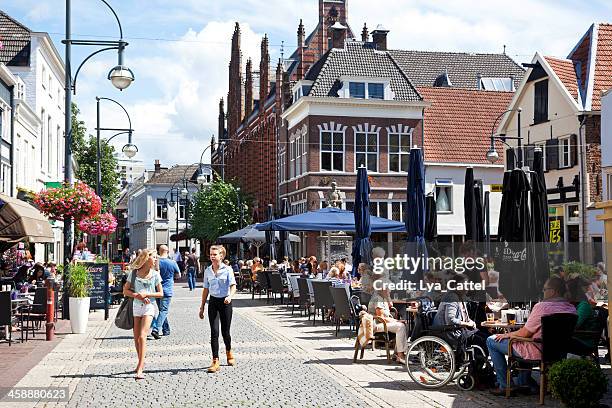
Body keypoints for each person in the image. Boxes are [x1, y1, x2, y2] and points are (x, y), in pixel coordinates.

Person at [486, 276, 576, 395]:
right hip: (559, 351)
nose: (543, 292)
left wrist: (507, 335)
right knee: (521, 341)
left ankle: (505, 385)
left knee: (491, 340)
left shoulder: (542, 307)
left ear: (553, 291)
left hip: (536, 349)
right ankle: (525, 382)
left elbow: (525, 333)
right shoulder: (571, 309)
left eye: (544, 289)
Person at [123, 249, 163, 380]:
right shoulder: (134, 273)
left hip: (149, 307)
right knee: (136, 338)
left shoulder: (155, 274)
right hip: (136, 306)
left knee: (142, 336)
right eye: (154, 257)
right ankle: (140, 360)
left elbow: (161, 293)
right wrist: (137, 296)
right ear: (146, 258)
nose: (156, 259)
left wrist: (147, 294)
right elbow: (126, 291)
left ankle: (140, 367)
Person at [199, 245, 237, 373]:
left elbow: (233, 286)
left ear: (221, 256)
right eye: (211, 254)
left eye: (214, 254)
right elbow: (205, 289)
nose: (212, 256)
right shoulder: (208, 271)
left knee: (225, 332)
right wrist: (202, 306)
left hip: (225, 302)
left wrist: (230, 296)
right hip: (213, 302)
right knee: (214, 332)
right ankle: (215, 360)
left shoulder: (228, 270)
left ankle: (229, 351)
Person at [432, 273, 489, 358]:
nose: (467, 287)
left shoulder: (461, 296)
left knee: (486, 337)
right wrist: (467, 324)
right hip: (448, 331)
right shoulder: (451, 297)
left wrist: (470, 321)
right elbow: (450, 320)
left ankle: (479, 366)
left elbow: (464, 315)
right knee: (482, 340)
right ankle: (476, 368)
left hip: (458, 330)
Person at [151, 245, 179, 339]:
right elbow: (178, 275)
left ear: (159, 251)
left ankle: (166, 330)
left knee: (162, 311)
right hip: (167, 290)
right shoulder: (172, 262)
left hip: (157, 290)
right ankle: (156, 329)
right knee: (164, 311)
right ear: (167, 251)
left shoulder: (156, 262)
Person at [566, 275, 599, 353]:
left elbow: (575, 324)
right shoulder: (578, 304)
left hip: (584, 341)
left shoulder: (584, 305)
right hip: (579, 338)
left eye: (567, 291)